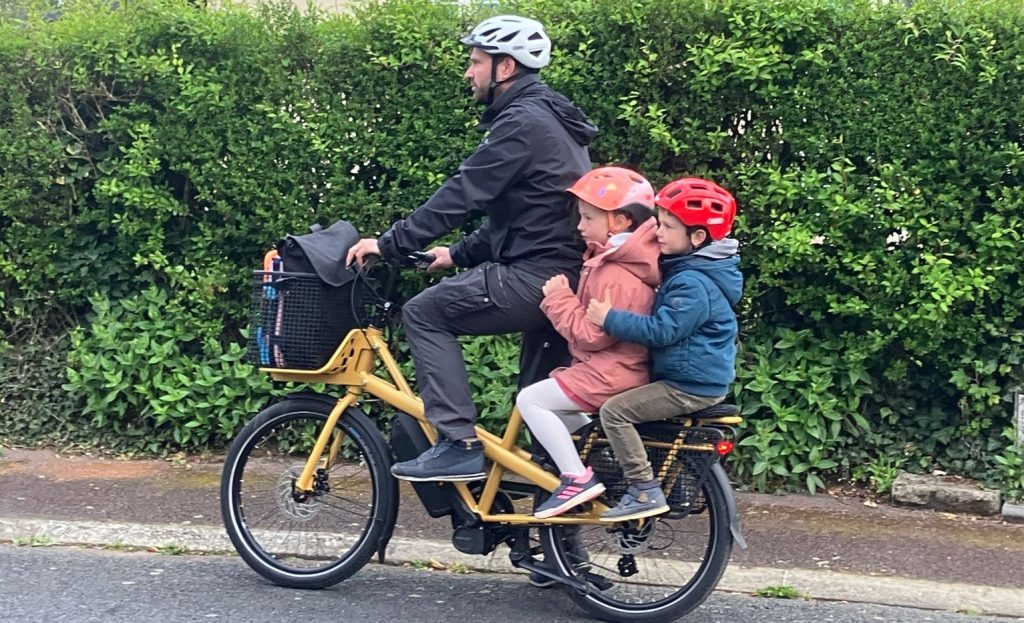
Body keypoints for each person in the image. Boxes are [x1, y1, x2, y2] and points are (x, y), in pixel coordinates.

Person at [347, 15, 598, 482]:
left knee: (425, 313)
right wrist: (455, 255)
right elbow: (527, 214)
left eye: (475, 62)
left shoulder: (523, 123)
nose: (468, 73)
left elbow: (462, 194)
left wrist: (388, 244)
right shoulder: (549, 121)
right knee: (544, 411)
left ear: (505, 68)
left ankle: (457, 443)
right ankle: (559, 545)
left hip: (535, 278)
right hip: (563, 277)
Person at [585, 177, 743, 522]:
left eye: (668, 226)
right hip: (690, 378)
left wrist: (608, 317)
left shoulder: (692, 282)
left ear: (697, 238)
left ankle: (644, 488)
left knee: (615, 412)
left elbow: (662, 331)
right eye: (658, 222)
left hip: (689, 386)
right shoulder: (696, 269)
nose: (658, 232)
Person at [515, 167, 660, 519]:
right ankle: (598, 461)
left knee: (531, 400)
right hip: (615, 368)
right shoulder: (618, 261)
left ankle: (577, 478)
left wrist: (558, 299)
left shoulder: (616, 272)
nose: (579, 226)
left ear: (621, 221)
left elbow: (592, 336)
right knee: (560, 409)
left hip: (611, 371)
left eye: (588, 217)